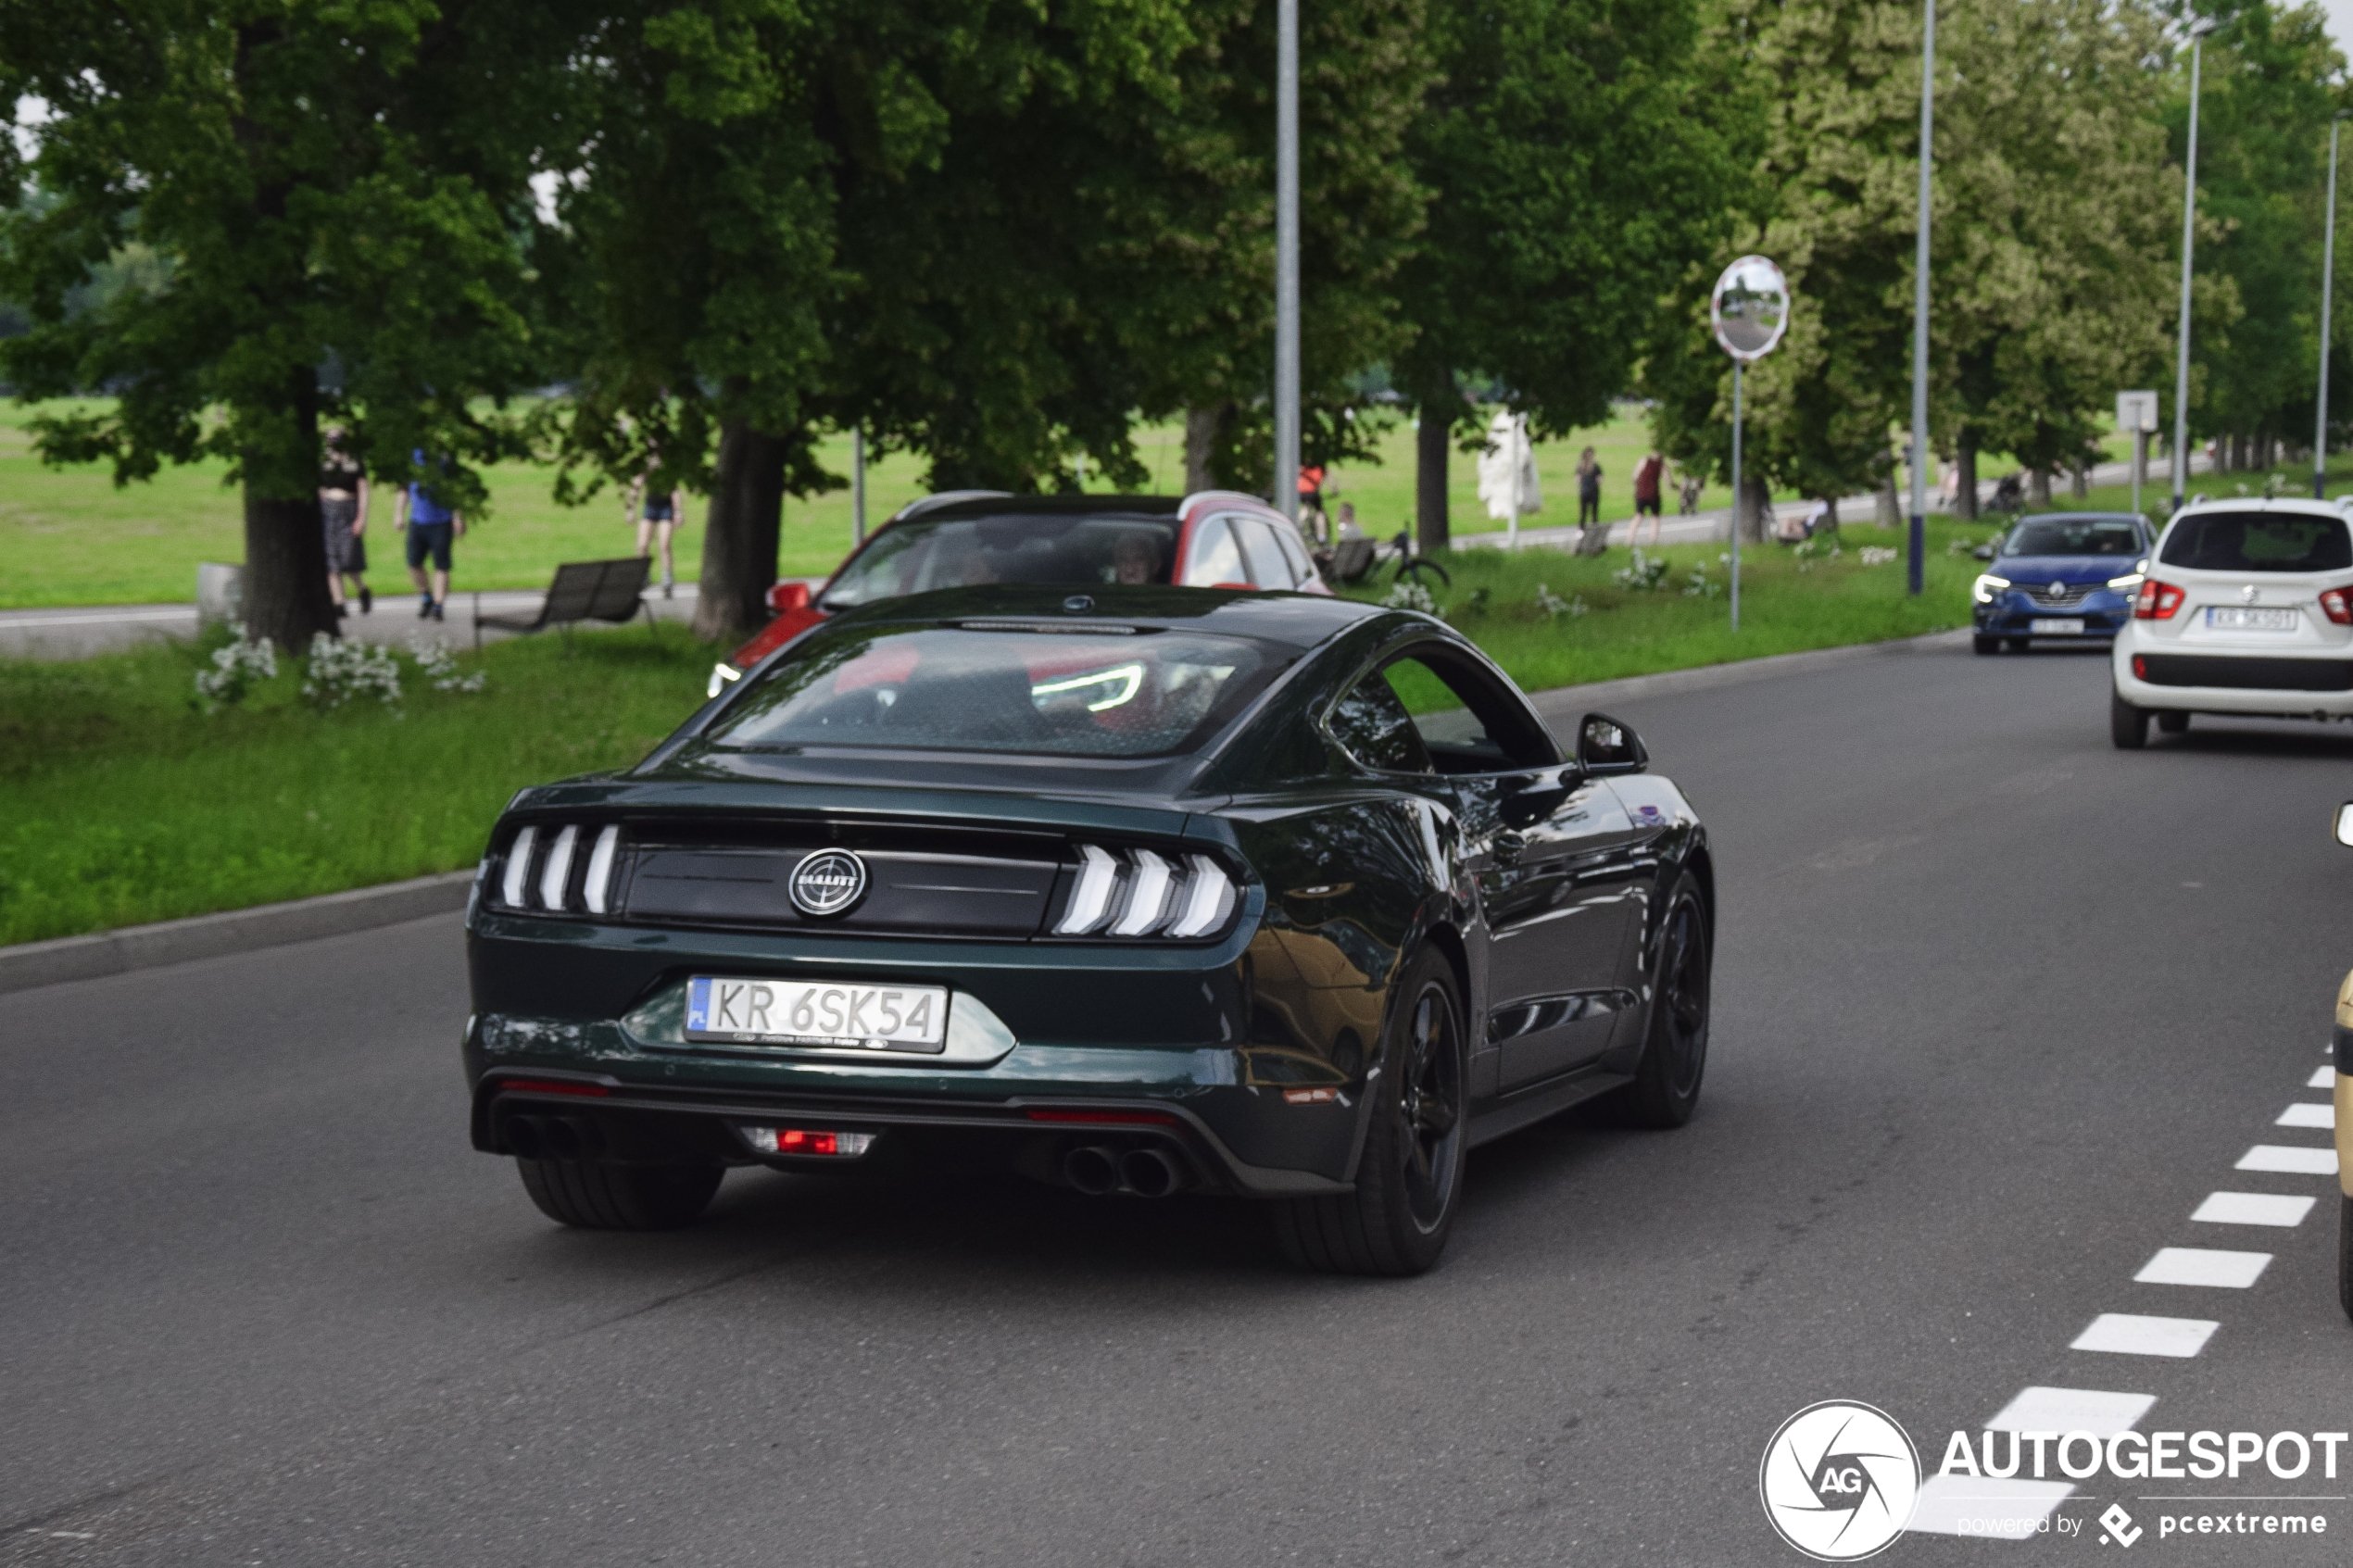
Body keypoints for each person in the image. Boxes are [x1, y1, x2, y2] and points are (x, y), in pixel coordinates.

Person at [396, 450, 464, 621]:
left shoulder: (444, 458)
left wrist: (457, 517)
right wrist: (398, 514)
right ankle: (426, 596)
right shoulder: (411, 457)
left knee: (441, 565)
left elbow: (454, 489)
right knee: (413, 563)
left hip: (441, 521)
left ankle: (438, 605)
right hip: (417, 521)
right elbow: (403, 489)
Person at [319, 426, 371, 617]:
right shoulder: (325, 463)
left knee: (348, 560)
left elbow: (363, 490)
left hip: (349, 509)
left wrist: (361, 517)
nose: (333, 442)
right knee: (331, 560)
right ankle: (339, 603)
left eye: (337, 439)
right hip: (329, 510)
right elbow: (321, 489)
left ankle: (362, 590)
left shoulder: (354, 463)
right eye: (330, 439)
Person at [626, 461, 683, 597]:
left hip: (666, 508)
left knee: (664, 544)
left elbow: (674, 491)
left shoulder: (666, 469)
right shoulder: (645, 469)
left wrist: (677, 512)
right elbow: (635, 488)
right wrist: (630, 510)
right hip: (650, 507)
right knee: (642, 545)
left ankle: (667, 580)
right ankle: (643, 577)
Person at [1631, 448, 1666, 546]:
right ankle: (1653, 540)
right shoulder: (1661, 464)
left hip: (1642, 493)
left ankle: (1630, 539)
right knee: (1655, 517)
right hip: (1654, 494)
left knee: (1639, 515)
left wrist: (1637, 486)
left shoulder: (1645, 461)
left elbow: (1635, 476)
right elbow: (1669, 480)